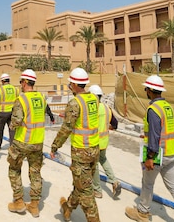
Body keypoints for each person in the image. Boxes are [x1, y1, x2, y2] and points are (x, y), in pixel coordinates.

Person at [125, 75, 174, 222]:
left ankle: (142, 213)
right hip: (170, 152)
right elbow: (162, 131)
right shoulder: (167, 107)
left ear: (150, 90)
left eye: (145, 89)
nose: (145, 91)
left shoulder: (153, 109)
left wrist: (150, 157)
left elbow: (156, 135)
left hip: (157, 154)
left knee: (147, 183)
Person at [50, 67, 101, 222]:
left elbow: (66, 128)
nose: (69, 86)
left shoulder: (75, 103)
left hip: (81, 153)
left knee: (86, 193)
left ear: (74, 84)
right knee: (82, 185)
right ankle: (68, 208)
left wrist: (55, 146)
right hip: (94, 150)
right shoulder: (93, 98)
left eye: (70, 83)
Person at [7, 69, 49, 218]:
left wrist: (12, 126)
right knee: (36, 172)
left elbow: (17, 121)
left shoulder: (21, 99)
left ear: (24, 82)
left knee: (14, 169)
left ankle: (18, 202)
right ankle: (34, 206)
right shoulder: (42, 98)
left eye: (20, 82)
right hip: (37, 142)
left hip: (22, 141)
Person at [88, 84, 122, 199]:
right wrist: (107, 127)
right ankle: (114, 181)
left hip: (94, 141)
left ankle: (97, 190)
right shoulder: (107, 108)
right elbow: (115, 125)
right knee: (103, 160)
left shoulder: (93, 109)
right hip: (104, 141)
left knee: (94, 165)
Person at [0, 73, 19, 150]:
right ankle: (12, 146)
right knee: (12, 130)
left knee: (0, 130)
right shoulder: (15, 89)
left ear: (2, 81)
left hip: (2, 113)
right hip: (12, 112)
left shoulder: (0, 90)